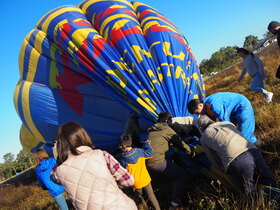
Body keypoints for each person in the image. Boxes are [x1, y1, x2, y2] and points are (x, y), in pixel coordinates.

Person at [52, 122, 137, 210]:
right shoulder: (101, 155)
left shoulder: (59, 171)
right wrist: (113, 185)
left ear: (61, 144)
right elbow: (129, 181)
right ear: (83, 136)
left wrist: (57, 156)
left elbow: (54, 178)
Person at [197, 115, 276, 195]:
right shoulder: (227, 123)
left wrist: (224, 170)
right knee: (270, 184)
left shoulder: (204, 137)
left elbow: (214, 159)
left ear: (201, 128)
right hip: (254, 152)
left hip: (237, 161)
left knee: (250, 194)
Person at [147, 112, 195, 208]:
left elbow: (163, 142)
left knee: (172, 161)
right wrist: (192, 152)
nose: (172, 122)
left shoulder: (153, 130)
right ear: (167, 121)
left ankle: (168, 194)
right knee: (182, 175)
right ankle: (174, 203)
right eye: (171, 120)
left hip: (148, 160)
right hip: (157, 161)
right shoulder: (166, 129)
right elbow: (180, 143)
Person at [187, 92, 258, 144]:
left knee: (245, 135)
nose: (198, 114)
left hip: (242, 106)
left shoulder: (213, 104)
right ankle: (255, 144)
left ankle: (257, 149)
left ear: (200, 105)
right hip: (231, 112)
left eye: (197, 112)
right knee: (237, 134)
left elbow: (226, 122)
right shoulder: (206, 110)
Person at [119, 134, 161, 210]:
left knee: (141, 197)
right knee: (151, 196)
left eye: (120, 147)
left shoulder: (123, 160)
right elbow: (150, 154)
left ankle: (145, 208)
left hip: (136, 183)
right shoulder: (139, 152)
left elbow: (124, 173)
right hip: (145, 178)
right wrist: (146, 144)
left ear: (124, 147)